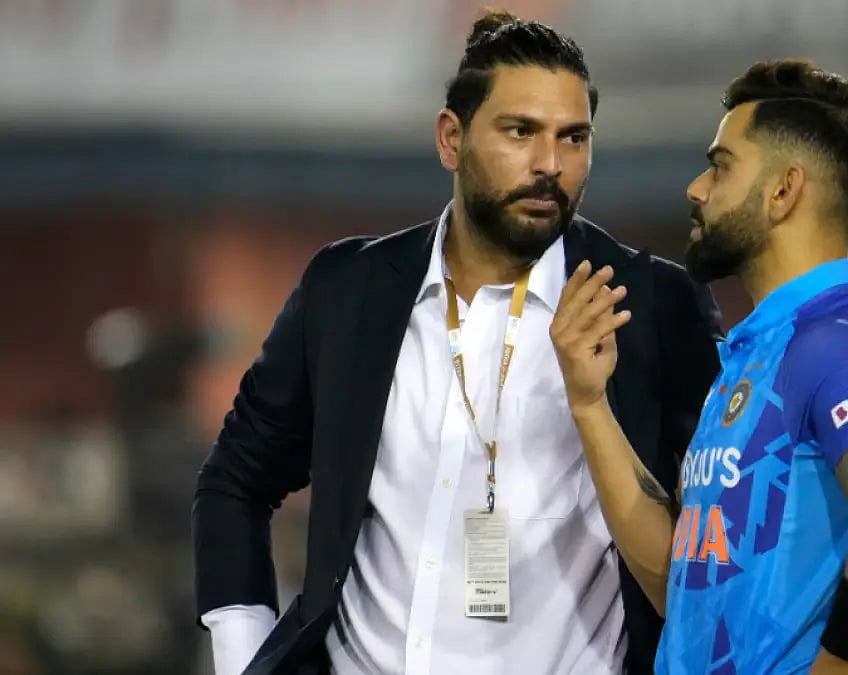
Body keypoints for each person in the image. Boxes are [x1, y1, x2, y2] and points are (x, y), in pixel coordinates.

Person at [192, 10, 722, 675]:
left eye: (574, 137)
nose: (550, 165)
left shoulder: (651, 305)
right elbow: (234, 480)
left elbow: (718, 535)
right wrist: (245, 654)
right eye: (520, 131)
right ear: (451, 138)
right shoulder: (349, 290)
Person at [550, 59, 848, 673]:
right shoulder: (761, 351)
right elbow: (679, 584)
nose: (697, 188)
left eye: (719, 166)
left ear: (784, 190)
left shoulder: (839, 339)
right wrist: (589, 404)